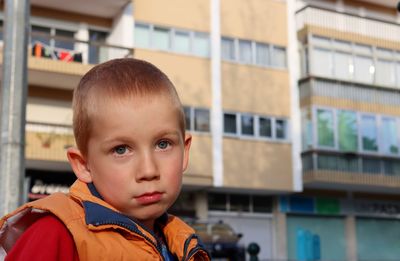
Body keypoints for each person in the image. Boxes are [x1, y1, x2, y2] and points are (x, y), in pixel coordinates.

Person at [0, 58, 210, 261]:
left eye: (163, 144)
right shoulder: (58, 234)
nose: (148, 170)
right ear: (83, 165)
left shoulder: (182, 241)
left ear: (185, 151)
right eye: (121, 150)